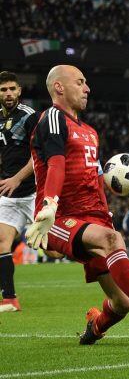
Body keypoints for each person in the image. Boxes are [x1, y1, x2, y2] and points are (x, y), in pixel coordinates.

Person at [25, 65, 129, 344]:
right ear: (59, 87)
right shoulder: (53, 118)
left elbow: (96, 176)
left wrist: (106, 216)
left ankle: (95, 326)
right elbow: (56, 164)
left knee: (122, 302)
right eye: (80, 82)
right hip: (59, 217)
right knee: (111, 240)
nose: (87, 88)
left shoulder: (90, 132)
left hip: (93, 219)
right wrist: (50, 205)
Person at [0, 71, 37, 312]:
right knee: (2, 242)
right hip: (9, 194)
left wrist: (16, 178)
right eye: (3, 90)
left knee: (55, 249)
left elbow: (39, 156)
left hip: (34, 192)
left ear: (19, 91)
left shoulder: (29, 117)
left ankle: (104, 259)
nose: (8, 93)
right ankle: (10, 299)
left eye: (12, 88)